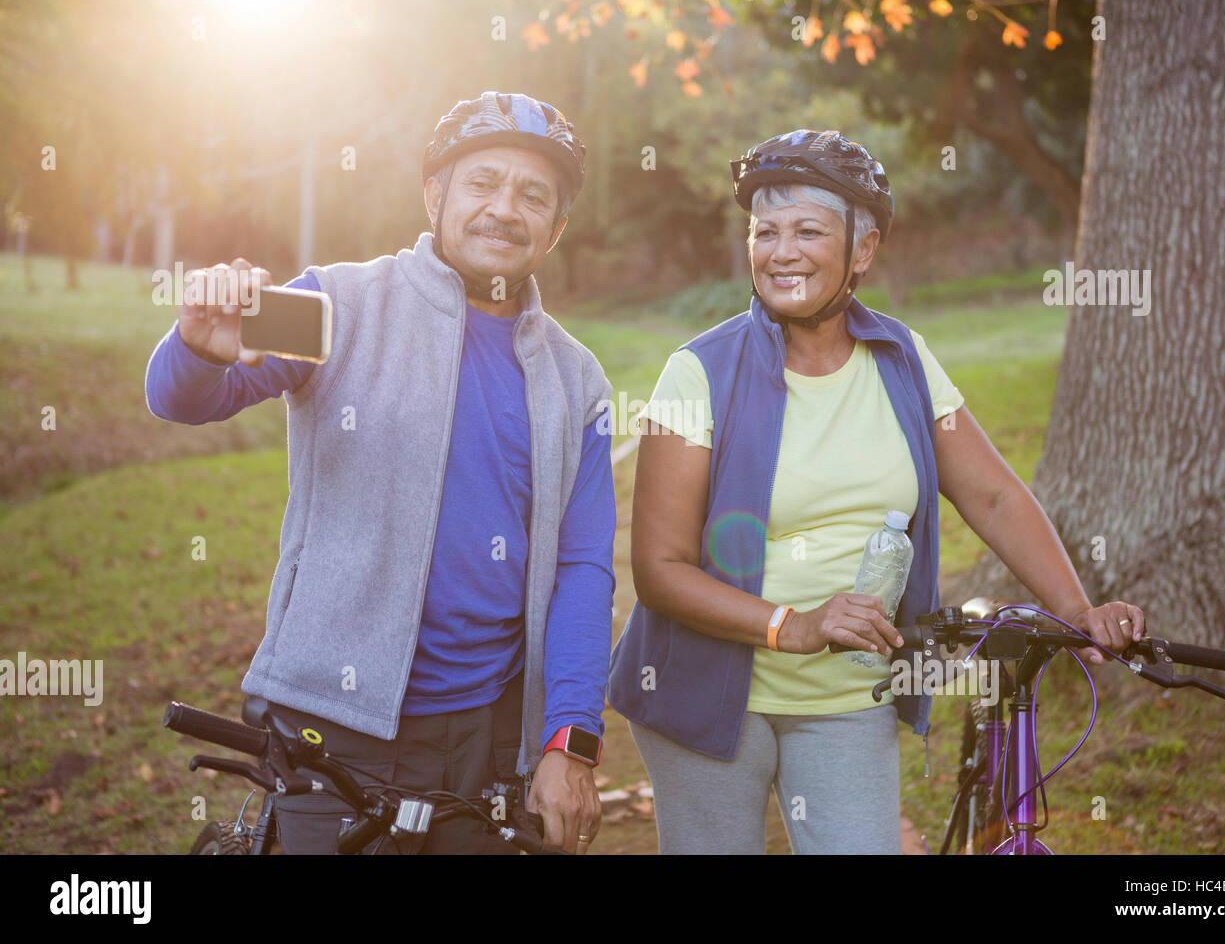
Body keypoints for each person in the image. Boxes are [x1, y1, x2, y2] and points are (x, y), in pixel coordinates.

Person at [607, 129, 1146, 854]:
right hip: (705, 698)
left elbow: (993, 497)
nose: (781, 251)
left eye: (807, 230)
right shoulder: (697, 372)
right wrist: (792, 624)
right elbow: (660, 570)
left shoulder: (903, 361)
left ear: (862, 250)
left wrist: (1077, 610)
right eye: (765, 231)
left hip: (845, 698)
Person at [145, 92, 613, 854]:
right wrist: (197, 344)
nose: (504, 208)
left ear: (556, 229)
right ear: (435, 195)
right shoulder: (336, 303)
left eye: (533, 196)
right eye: (482, 182)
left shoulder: (578, 380)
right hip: (328, 725)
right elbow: (184, 398)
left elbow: (584, 569)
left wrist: (570, 742)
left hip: (486, 738)